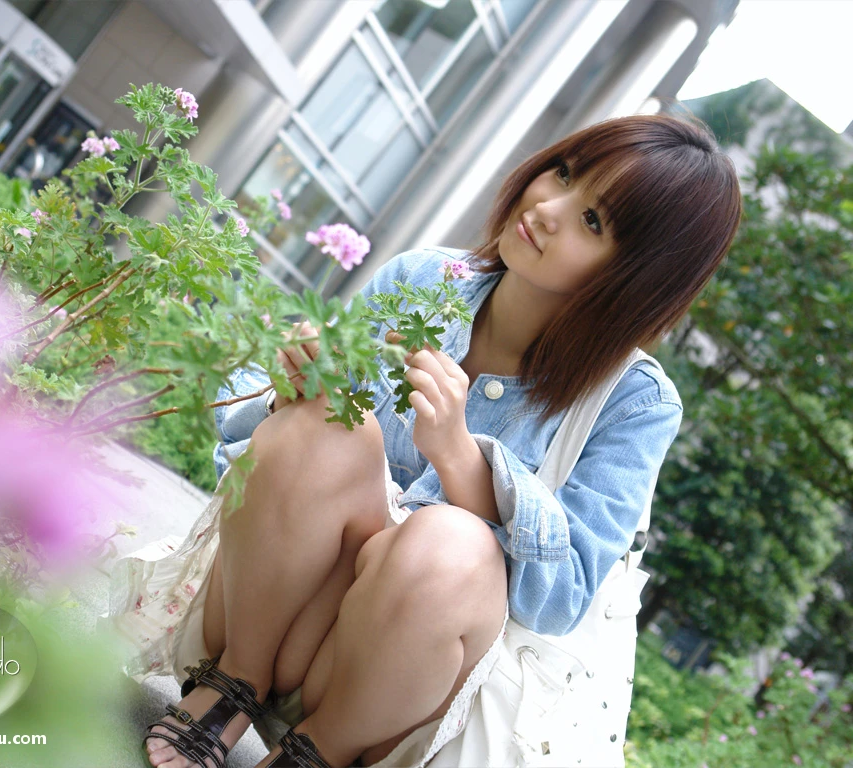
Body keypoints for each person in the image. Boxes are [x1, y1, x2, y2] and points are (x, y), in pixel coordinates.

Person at [122, 112, 741, 768]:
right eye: (563, 173)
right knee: (325, 419)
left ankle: (317, 754)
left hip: (395, 691)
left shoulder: (635, 404)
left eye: (592, 220)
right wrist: (291, 386)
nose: (547, 208)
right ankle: (230, 688)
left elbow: (561, 596)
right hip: (273, 622)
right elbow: (253, 448)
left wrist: (456, 452)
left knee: (453, 543)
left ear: (638, 275)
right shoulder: (423, 279)